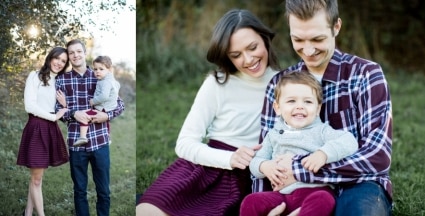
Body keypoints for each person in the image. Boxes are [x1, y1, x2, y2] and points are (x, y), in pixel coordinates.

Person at [136, 8, 280, 216]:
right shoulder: (217, 84)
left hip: (253, 176)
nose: (248, 59)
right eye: (236, 55)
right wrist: (229, 158)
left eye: (252, 47)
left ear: (264, 39)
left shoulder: (284, 84)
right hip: (207, 168)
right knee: (146, 211)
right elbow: (185, 143)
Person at [256, 0, 394, 215]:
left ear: (336, 27)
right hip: (293, 190)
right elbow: (266, 154)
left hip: (357, 184)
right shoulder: (279, 84)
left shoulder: (366, 75)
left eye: (317, 39)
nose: (308, 50)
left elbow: (377, 157)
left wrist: (301, 169)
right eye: (298, 39)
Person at [240, 72, 358, 216]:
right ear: (277, 108)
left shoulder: (321, 130)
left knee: (324, 199)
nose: (300, 107)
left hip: (314, 191)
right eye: (291, 101)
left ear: (318, 109)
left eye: (308, 102)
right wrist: (264, 166)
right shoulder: (273, 134)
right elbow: (255, 162)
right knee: (251, 201)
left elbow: (349, 141)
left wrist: (323, 154)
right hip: (282, 197)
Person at [55, 39, 125, 216]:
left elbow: (120, 104)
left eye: (78, 51)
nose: (75, 55)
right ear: (69, 56)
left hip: (100, 142)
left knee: (104, 191)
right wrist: (72, 113)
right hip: (76, 143)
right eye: (71, 53)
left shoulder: (99, 74)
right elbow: (56, 110)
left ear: (84, 52)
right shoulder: (62, 80)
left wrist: (106, 116)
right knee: (79, 191)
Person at [16, 47, 70, 216]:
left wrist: (64, 106)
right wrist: (53, 117)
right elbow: (29, 106)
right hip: (37, 127)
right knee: (37, 178)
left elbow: (61, 109)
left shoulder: (60, 82)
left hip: (50, 129)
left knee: (37, 177)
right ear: (50, 57)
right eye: (57, 58)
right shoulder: (35, 76)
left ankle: (27, 213)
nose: (59, 63)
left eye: (63, 61)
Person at [60, 55, 121, 146]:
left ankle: (83, 137)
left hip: (103, 108)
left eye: (101, 69)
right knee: (105, 121)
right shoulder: (110, 80)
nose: (97, 72)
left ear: (109, 69)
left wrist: (93, 101)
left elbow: (105, 96)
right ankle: (107, 137)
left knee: (85, 115)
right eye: (95, 69)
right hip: (107, 107)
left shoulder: (105, 82)